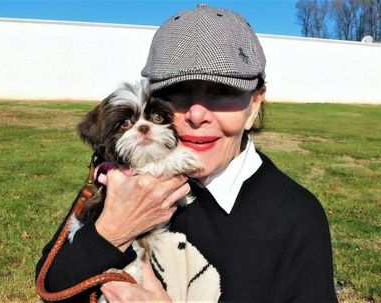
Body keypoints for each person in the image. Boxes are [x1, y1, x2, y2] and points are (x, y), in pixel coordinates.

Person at [36, 4, 338, 302]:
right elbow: (51, 287)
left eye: (223, 92)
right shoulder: (123, 182)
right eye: (178, 92)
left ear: (254, 105)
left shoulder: (297, 217)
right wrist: (112, 230)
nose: (197, 114)